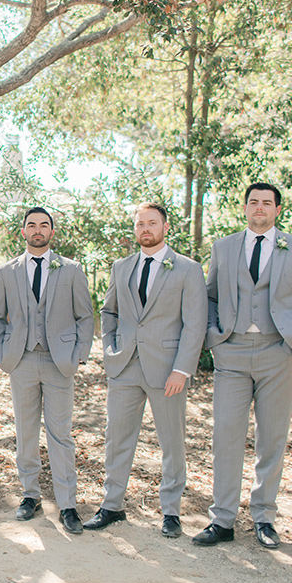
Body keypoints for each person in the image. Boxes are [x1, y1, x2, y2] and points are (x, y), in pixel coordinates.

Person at [194, 183, 292, 549]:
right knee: (226, 435)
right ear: (244, 208)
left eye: (266, 203)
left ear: (277, 210)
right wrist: (213, 335)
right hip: (232, 352)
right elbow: (209, 296)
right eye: (253, 202)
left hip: (278, 353)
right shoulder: (223, 247)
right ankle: (222, 520)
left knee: (272, 437)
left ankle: (264, 517)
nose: (259, 208)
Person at [83, 202, 207, 538]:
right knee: (117, 439)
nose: (146, 229)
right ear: (135, 229)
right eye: (140, 224)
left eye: (152, 223)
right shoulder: (121, 267)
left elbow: (195, 323)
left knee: (172, 442)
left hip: (168, 370)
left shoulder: (187, 269)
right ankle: (112, 505)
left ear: (165, 227)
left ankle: (171, 512)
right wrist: (110, 348)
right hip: (124, 367)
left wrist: (182, 369)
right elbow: (108, 312)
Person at [0, 207, 94, 533]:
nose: (37, 230)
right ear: (23, 232)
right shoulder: (7, 271)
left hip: (59, 362)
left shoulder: (72, 270)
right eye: (31, 225)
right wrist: (4, 352)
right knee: (26, 431)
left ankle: (67, 504)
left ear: (51, 231)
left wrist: (79, 354)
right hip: (21, 361)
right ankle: (30, 495)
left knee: (60, 435)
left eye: (43, 225)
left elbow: (85, 317)